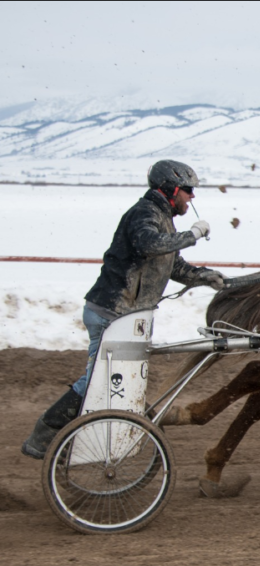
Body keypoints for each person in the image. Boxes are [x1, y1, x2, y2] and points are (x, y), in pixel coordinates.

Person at [22, 159, 227, 459]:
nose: (191, 196)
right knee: (97, 381)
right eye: (187, 190)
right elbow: (149, 244)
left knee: (106, 379)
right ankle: (44, 435)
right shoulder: (145, 213)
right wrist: (192, 235)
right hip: (111, 312)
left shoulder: (162, 216)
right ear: (170, 189)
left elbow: (173, 265)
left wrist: (206, 276)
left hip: (125, 315)